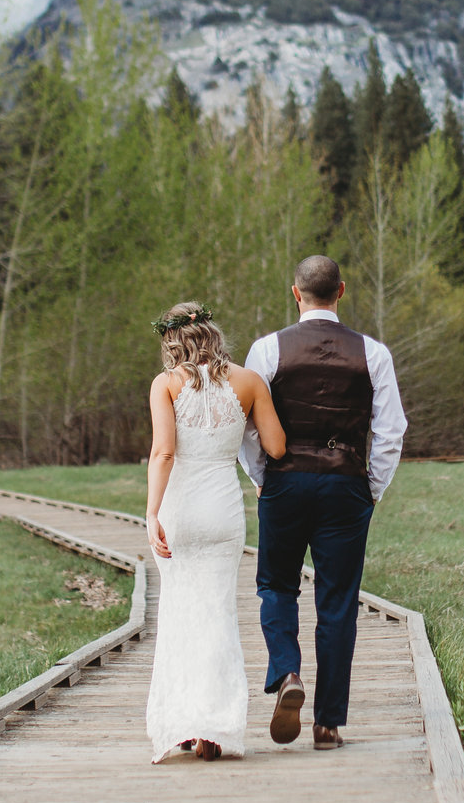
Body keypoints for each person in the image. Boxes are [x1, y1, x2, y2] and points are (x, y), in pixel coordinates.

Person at [239, 255, 407, 750]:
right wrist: (370, 488)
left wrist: (262, 477)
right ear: (341, 291)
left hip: (285, 482)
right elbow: (392, 432)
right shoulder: (373, 353)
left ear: (296, 293)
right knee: (337, 602)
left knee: (275, 584)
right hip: (345, 486)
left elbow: (248, 427)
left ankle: (287, 673)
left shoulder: (267, 350)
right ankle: (328, 723)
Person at [142, 302, 287, 762]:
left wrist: (151, 512)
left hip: (181, 510)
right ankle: (216, 727)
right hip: (223, 511)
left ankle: (184, 723)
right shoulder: (248, 382)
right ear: (213, 335)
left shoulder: (165, 385)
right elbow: (277, 446)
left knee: (180, 616)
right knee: (218, 614)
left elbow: (164, 452)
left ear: (172, 341)